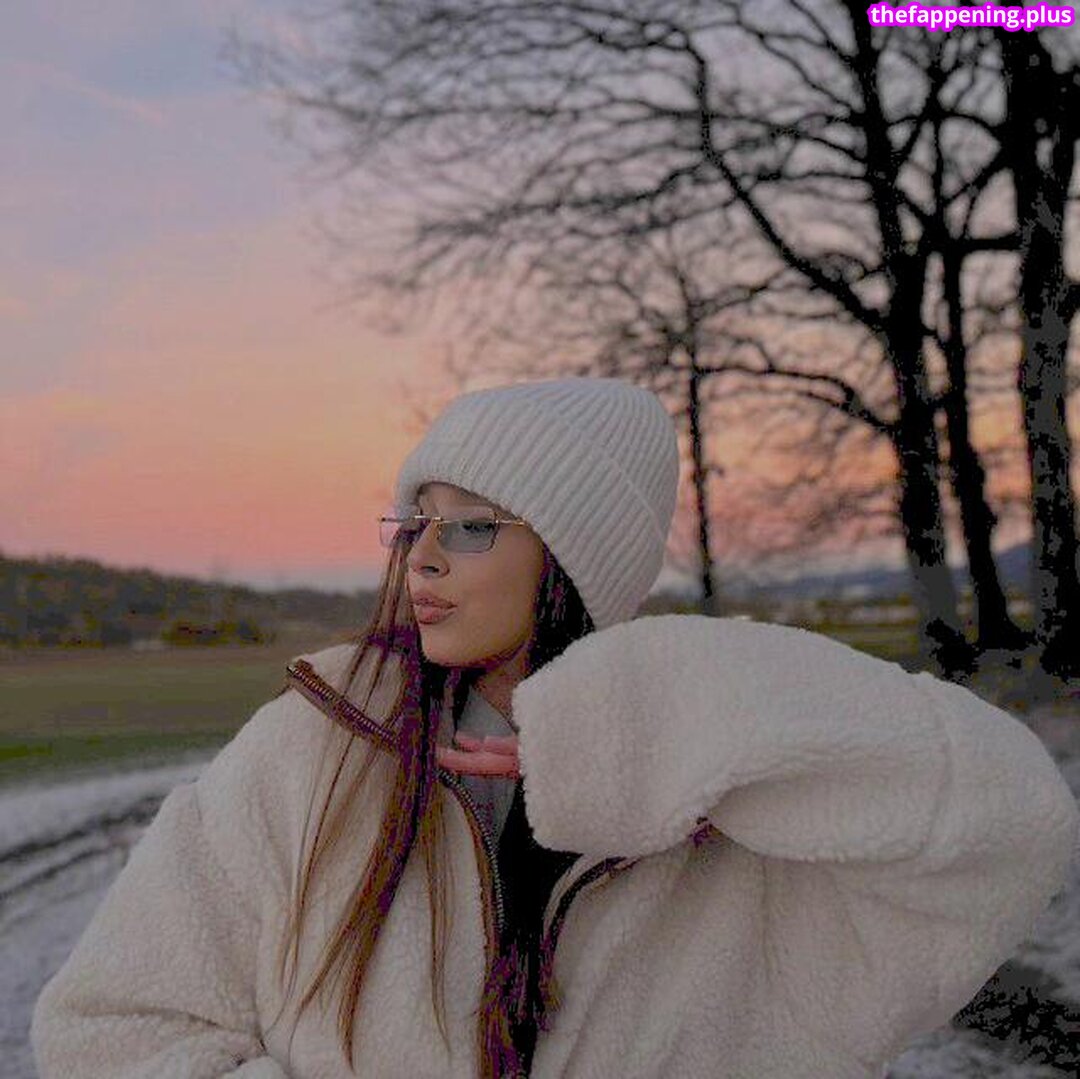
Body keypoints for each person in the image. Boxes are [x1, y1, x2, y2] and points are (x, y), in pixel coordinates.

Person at [31, 377, 1078, 1079]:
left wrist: (666, 722)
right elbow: (109, 1026)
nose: (421, 556)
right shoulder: (310, 747)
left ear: (576, 557)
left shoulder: (729, 808)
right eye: (415, 521)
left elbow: (1012, 819)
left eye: (471, 524)